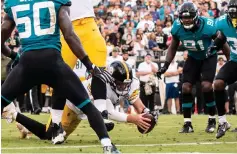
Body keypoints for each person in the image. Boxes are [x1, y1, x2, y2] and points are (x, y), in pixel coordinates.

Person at [1, 0, 115, 152]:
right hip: (53, 62)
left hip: (27, 63)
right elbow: (69, 35)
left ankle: (56, 125)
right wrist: (89, 65)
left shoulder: (14, 3)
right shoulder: (57, 1)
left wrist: (14, 56)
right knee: (86, 105)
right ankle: (107, 145)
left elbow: (2, 36)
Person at [7, 61, 156, 141]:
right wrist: (133, 118)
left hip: (82, 113)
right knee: (48, 134)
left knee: (56, 136)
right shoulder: (101, 83)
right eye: (120, 83)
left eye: (126, 83)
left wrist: (146, 113)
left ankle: (26, 128)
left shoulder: (132, 82)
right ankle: (13, 113)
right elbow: (108, 112)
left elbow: (135, 100)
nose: (124, 86)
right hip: (71, 105)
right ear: (110, 79)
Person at [156, 2, 230, 133]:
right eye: (184, 17)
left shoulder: (208, 25)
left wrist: (231, 62)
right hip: (193, 57)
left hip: (209, 57)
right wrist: (166, 65)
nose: (186, 20)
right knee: (185, 87)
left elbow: (222, 43)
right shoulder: (177, 27)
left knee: (206, 86)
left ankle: (212, 119)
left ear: (196, 16)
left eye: (189, 17)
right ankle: (187, 123)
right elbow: (172, 47)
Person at [214, 0, 237, 139]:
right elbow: (222, 35)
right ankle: (222, 122)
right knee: (218, 83)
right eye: (232, 15)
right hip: (235, 61)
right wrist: (215, 45)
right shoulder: (222, 21)